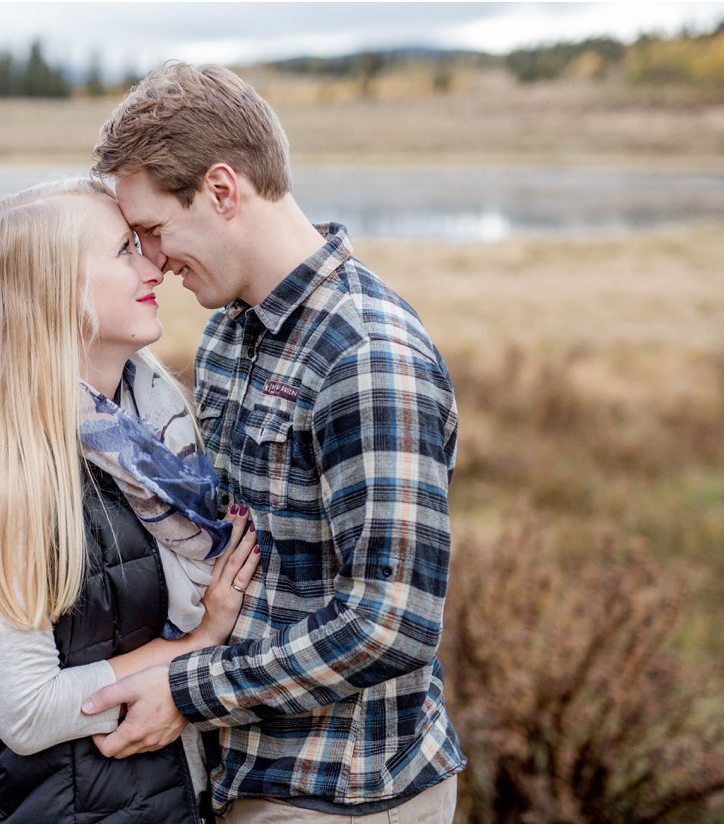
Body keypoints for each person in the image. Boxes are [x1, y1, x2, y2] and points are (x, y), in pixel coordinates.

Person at [80, 63, 466, 823]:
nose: (153, 260)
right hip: (243, 772)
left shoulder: (366, 355)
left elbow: (390, 626)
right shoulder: (229, 331)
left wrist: (187, 693)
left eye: (154, 230)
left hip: (345, 794)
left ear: (223, 191)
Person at [0, 176, 263, 823]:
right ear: (60, 294)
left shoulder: (155, 437)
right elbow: (25, 713)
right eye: (124, 251)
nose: (155, 265)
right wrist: (198, 643)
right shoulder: (9, 478)